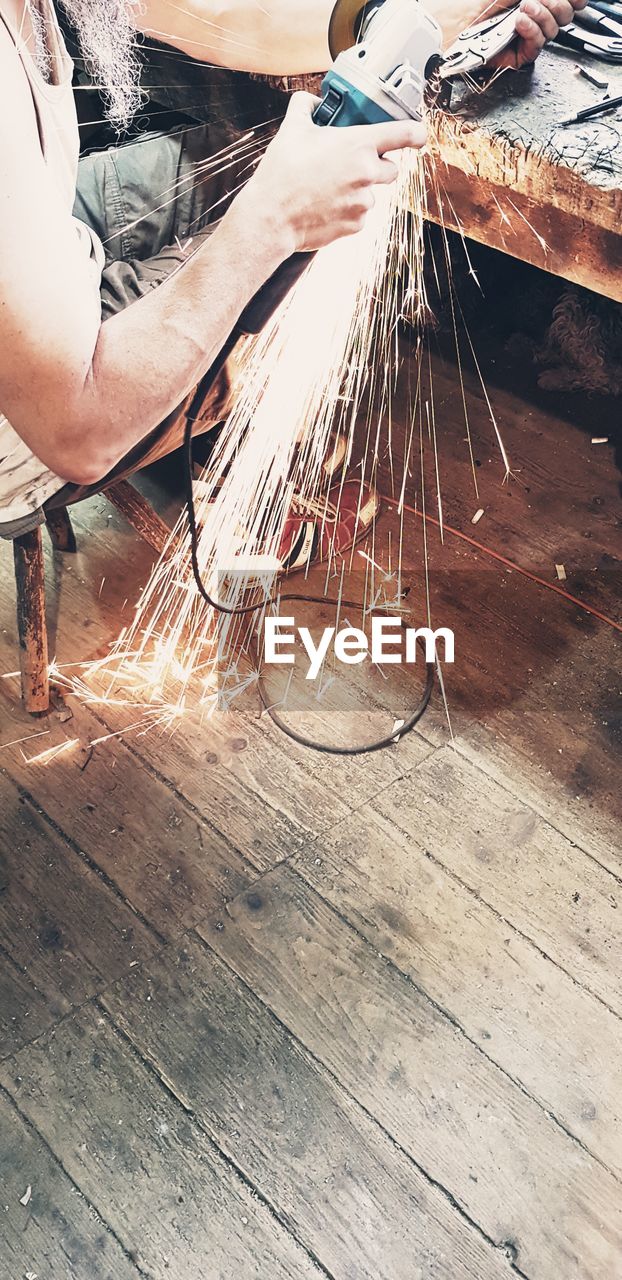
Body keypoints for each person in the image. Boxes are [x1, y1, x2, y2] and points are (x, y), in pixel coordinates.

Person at [0, 0, 585, 565]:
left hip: (48, 234)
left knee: (254, 152)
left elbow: (223, 13)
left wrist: (413, 20)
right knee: (323, 237)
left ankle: (207, 433)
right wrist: (275, 220)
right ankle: (237, 478)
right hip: (45, 421)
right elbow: (77, 432)